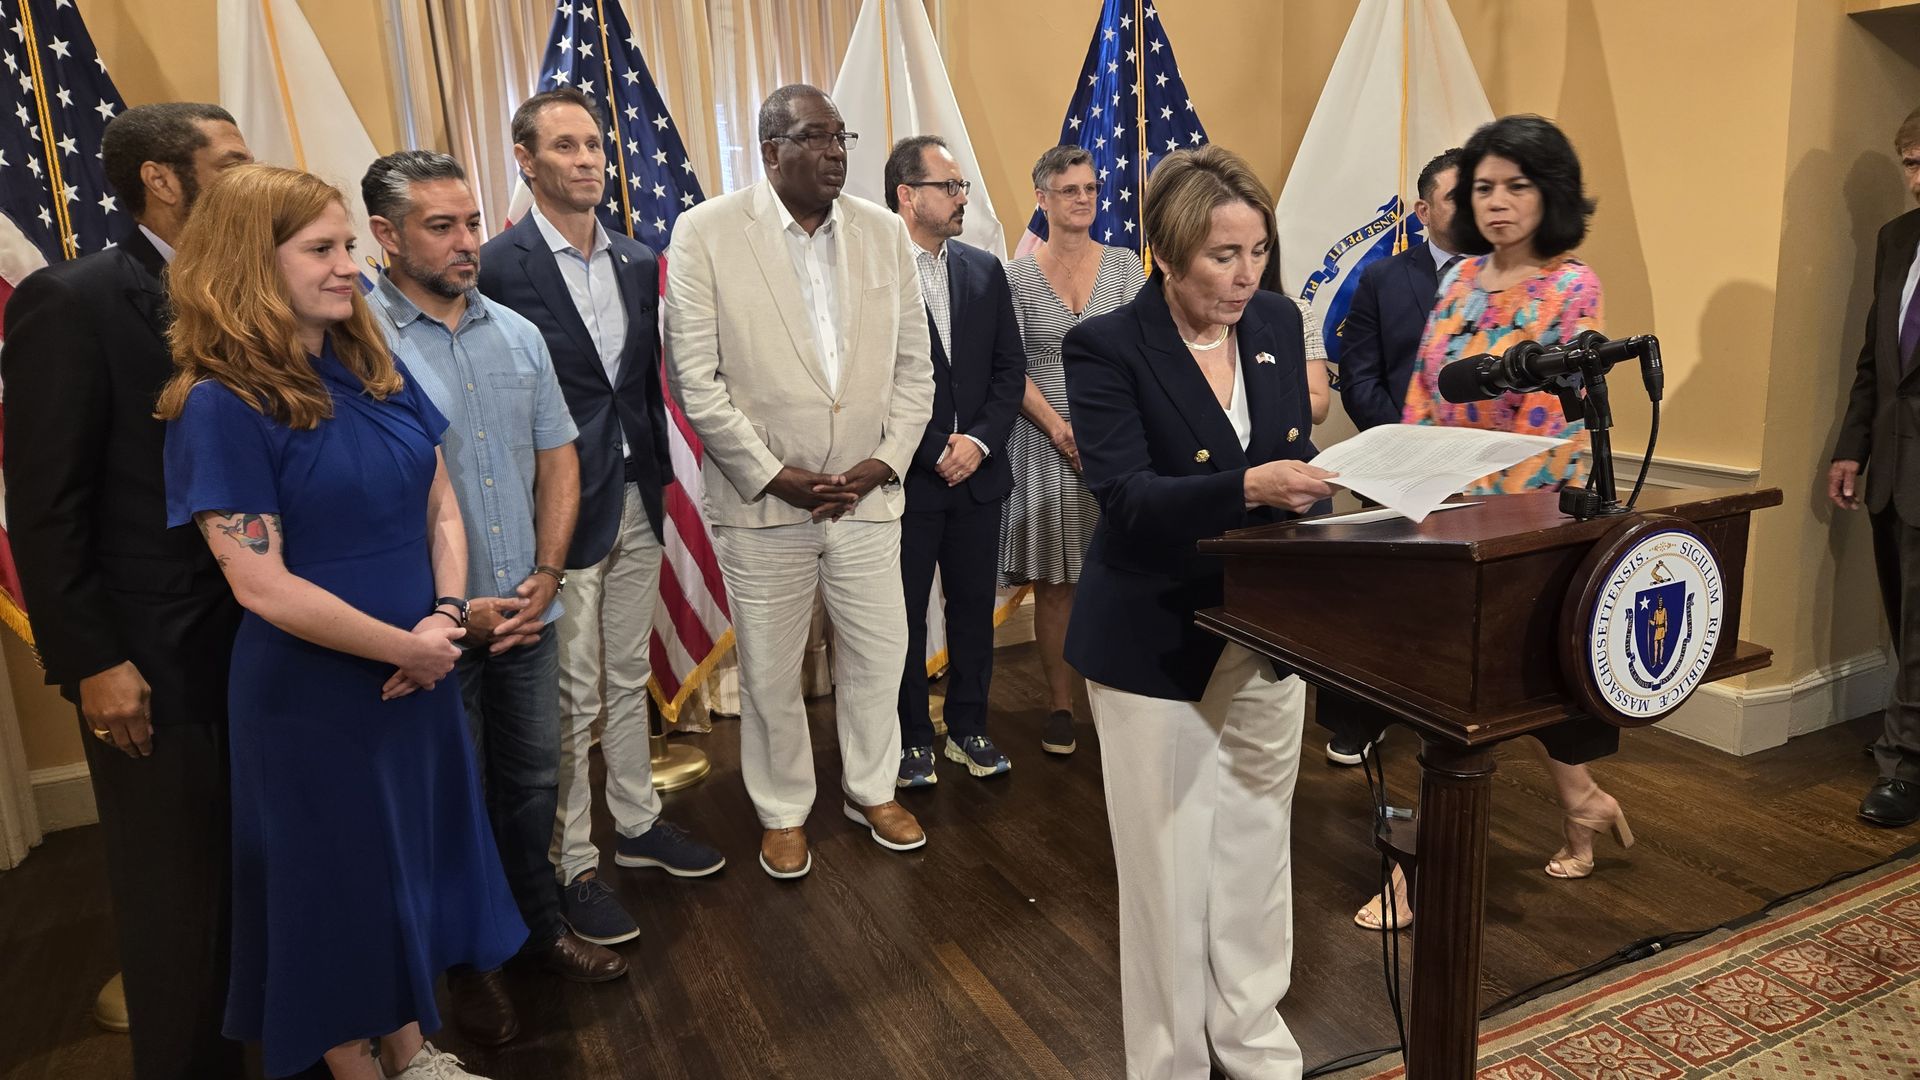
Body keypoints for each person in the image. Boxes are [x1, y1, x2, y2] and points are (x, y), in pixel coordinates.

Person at [1063, 144, 1336, 1080]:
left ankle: (1254, 1044)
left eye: (1257, 250)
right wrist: (1249, 485)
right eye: (1223, 255)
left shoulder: (1275, 320)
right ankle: (1172, 1063)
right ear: (1167, 255)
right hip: (1151, 639)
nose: (1245, 274)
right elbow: (1129, 499)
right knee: (1167, 876)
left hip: (1268, 634)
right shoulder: (1105, 345)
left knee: (1258, 855)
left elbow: (1293, 464)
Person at [2, 103, 252, 1080]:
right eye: (229, 161)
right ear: (161, 177)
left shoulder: (250, 287)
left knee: (260, 877)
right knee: (176, 901)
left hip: (262, 635)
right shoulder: (75, 301)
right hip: (152, 655)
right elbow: (44, 504)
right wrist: (94, 660)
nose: (249, 174)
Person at [363, 150, 631, 1048]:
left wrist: (546, 578)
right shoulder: (353, 340)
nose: (467, 241)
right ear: (385, 236)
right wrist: (453, 607)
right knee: (450, 798)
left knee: (531, 787)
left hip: (527, 614)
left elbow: (559, 458)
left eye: (472, 221)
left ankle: (532, 930)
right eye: (442, 227)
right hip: (425, 629)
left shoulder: (515, 332)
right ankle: (458, 964)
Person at [1366, 115, 1633, 932]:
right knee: (1458, 688)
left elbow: (1551, 421)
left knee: (1488, 686)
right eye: (1484, 187)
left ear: (1550, 192)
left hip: (1522, 513)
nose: (1498, 202)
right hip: (1440, 508)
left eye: (1517, 186)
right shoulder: (1457, 280)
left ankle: (1413, 876)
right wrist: (1405, 485)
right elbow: (1426, 393)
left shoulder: (1569, 286)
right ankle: (1582, 801)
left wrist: (1482, 505)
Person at [663, 84, 934, 879]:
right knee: (774, 672)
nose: (836, 151)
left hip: (868, 497)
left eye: (840, 135)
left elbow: (915, 369)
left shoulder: (885, 234)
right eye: (815, 137)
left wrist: (885, 461)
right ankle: (783, 810)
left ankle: (871, 788)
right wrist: (774, 475)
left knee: (881, 654)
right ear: (770, 148)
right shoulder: (706, 233)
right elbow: (695, 378)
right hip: (765, 506)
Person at [479, 88, 724, 950]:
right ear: (526, 159)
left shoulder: (634, 257)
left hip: (639, 496)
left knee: (625, 677)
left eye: (594, 145)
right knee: (571, 695)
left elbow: (645, 385)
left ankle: (638, 823)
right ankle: (572, 864)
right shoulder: (496, 266)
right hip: (559, 512)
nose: (588, 160)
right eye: (567, 146)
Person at [883, 135, 1027, 786]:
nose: (963, 197)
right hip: (909, 481)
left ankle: (969, 727)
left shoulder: (982, 268)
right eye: (949, 186)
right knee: (904, 616)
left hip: (979, 476)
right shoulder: (874, 273)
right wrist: (934, 445)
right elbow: (870, 385)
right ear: (908, 196)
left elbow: (1009, 369)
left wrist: (980, 442)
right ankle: (913, 738)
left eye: (962, 186)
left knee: (973, 610)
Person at [1316, 148, 1463, 769]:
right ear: (1425, 210)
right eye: (1461, 195)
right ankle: (1361, 717)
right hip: (1399, 464)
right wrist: (1405, 440)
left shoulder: (1510, 282)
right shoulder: (1382, 278)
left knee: (1461, 603)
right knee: (1381, 599)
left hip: (1484, 471)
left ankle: (1452, 713)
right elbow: (1359, 374)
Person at [1002, 145, 1146, 757]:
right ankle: (1061, 705)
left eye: (1090, 188)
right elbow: (1006, 368)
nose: (1083, 199)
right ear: (1043, 199)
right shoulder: (1012, 277)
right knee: (1057, 585)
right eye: (1069, 190)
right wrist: (1061, 430)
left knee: (1122, 574)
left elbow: (1147, 351)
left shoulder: (1127, 267)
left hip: (1119, 443)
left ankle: (1121, 696)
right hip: (1042, 444)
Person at [1829, 104, 1920, 829]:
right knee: (1905, 617)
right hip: (1891, 467)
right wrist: (1850, 446)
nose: (1919, 179)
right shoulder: (1897, 240)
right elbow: (1875, 361)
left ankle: (1903, 766)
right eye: (1911, 163)